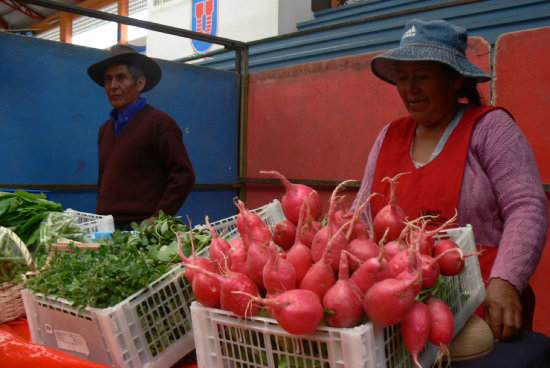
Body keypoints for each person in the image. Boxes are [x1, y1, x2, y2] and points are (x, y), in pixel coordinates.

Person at [353, 19, 548, 341]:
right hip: (401, 312)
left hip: (482, 309)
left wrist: (506, 280)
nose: (409, 89)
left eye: (423, 77)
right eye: (403, 78)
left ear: (456, 78)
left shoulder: (490, 128)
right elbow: (361, 215)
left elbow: (526, 207)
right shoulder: (389, 135)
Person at [87, 44, 196, 229]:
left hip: (142, 228)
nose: (113, 86)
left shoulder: (159, 123)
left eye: (121, 78)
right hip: (108, 227)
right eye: (108, 79)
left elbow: (183, 176)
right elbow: (103, 181)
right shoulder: (105, 129)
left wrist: (157, 219)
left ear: (140, 83)